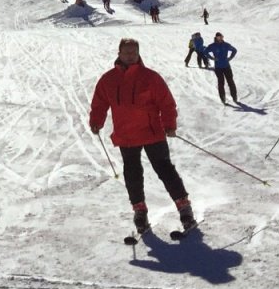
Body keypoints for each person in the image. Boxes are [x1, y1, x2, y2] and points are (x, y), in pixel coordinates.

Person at [88, 38, 195, 236]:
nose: (130, 56)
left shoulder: (150, 77)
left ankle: (184, 207)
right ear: (119, 54)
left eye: (133, 53)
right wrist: (96, 120)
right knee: (132, 173)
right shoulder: (108, 79)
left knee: (165, 169)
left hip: (152, 132)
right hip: (126, 134)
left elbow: (167, 103)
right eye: (126, 53)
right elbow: (100, 102)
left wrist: (169, 125)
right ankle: (139, 210)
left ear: (138, 54)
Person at [206, 32, 239, 104]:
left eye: (222, 37)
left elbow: (234, 50)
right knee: (221, 83)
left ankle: (234, 97)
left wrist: (230, 57)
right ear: (216, 37)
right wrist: (211, 58)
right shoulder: (213, 46)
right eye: (219, 37)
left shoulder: (226, 45)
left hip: (226, 66)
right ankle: (223, 98)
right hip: (218, 68)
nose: (221, 38)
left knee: (230, 82)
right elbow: (205, 51)